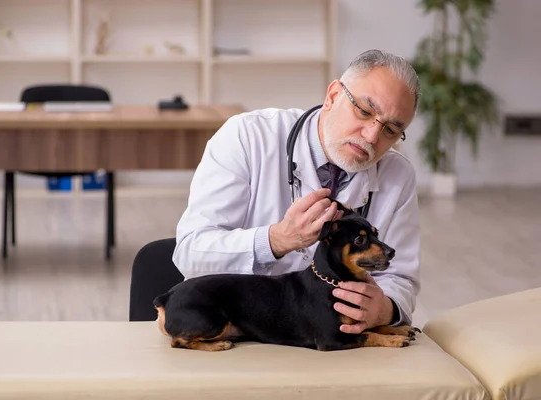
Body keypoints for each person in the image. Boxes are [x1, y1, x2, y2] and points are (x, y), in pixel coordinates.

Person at [171, 49, 421, 334]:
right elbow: (191, 253)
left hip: (336, 343)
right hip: (235, 332)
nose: (372, 136)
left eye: (390, 129)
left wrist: (385, 309)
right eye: (364, 111)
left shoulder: (398, 175)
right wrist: (275, 240)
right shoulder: (247, 136)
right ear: (333, 95)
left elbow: (400, 277)